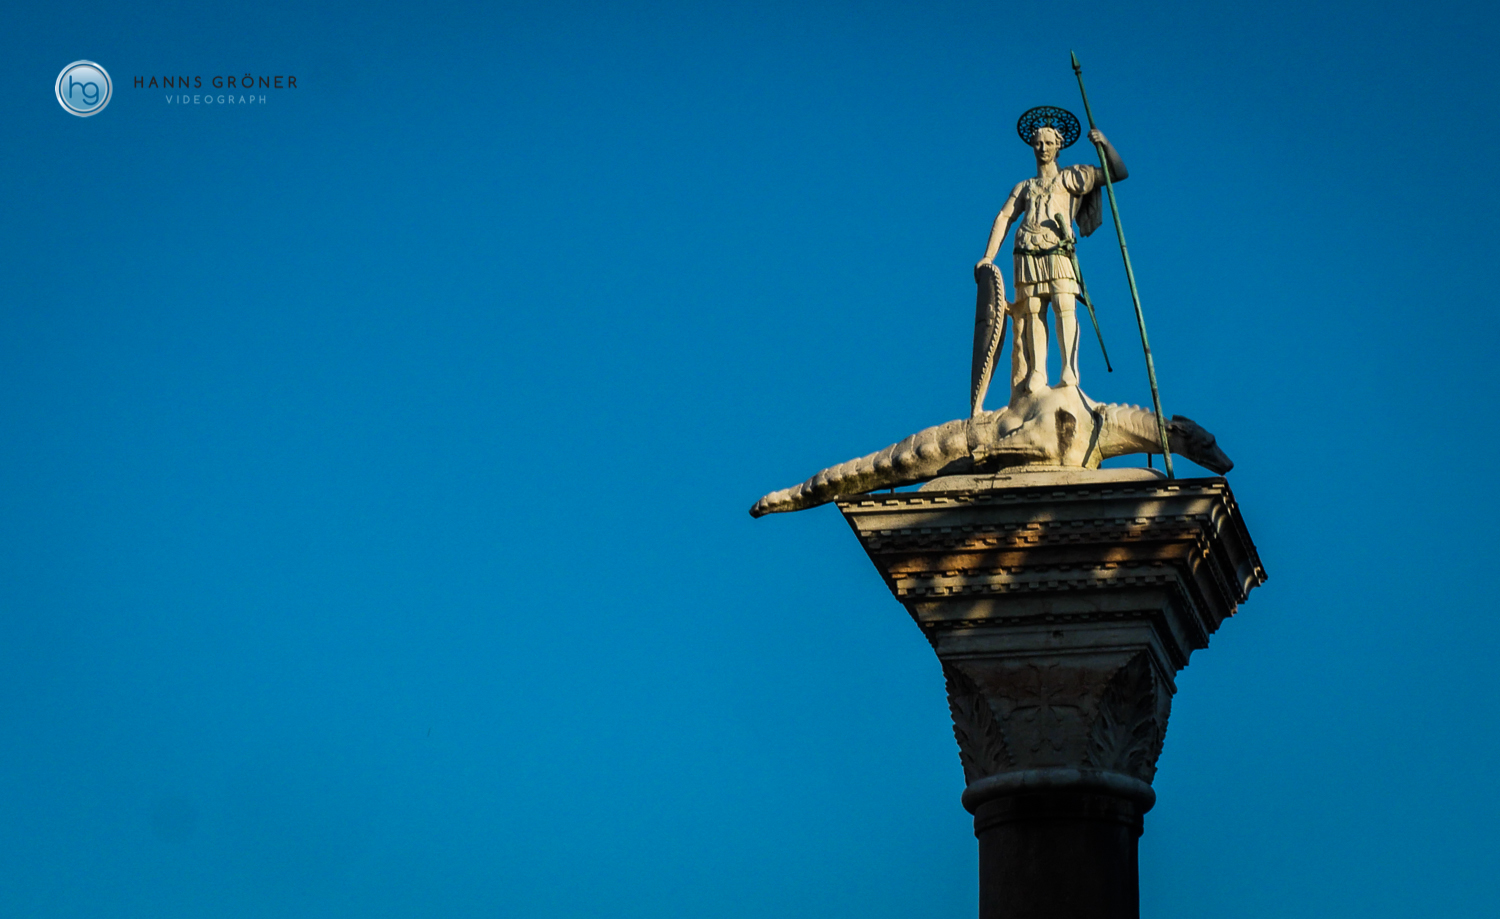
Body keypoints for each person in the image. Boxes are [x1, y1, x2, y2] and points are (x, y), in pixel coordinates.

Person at [976, 107, 1127, 395]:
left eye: (1048, 143)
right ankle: (1037, 372)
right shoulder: (1024, 186)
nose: (1042, 148)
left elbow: (1118, 173)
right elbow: (1004, 217)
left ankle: (1069, 370)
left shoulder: (1072, 177)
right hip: (1027, 250)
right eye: (1038, 142)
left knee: (1063, 304)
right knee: (1032, 310)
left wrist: (1104, 144)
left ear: (1059, 146)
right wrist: (988, 256)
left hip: (1058, 248)